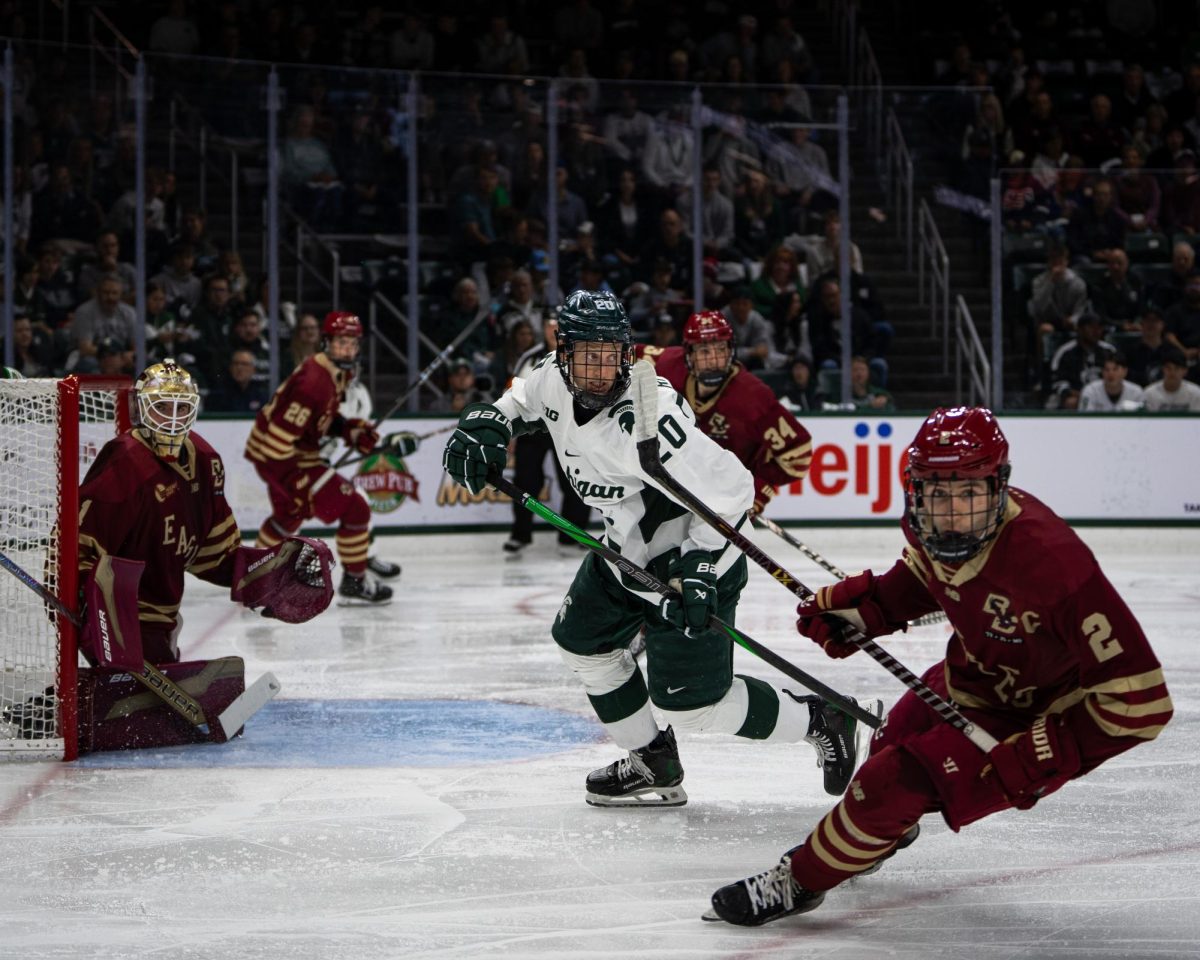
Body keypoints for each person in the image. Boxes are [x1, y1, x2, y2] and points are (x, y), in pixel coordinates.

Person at [708, 406, 1173, 926]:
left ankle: (800, 880)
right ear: (915, 491)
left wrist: (1045, 751)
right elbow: (924, 580)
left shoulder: (1054, 566)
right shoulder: (931, 529)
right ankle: (883, 834)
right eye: (938, 495)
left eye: (970, 494)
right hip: (969, 679)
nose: (953, 513)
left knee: (886, 785)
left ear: (998, 487)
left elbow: (1143, 703)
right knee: (887, 744)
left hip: (1027, 719)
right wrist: (869, 609)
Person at [442, 290, 879, 807]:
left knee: (697, 706)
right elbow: (519, 401)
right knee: (582, 640)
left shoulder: (651, 424)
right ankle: (653, 762)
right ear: (565, 353)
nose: (601, 370)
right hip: (625, 552)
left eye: (611, 356)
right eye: (588, 356)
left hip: (691, 558)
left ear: (626, 355)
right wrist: (488, 423)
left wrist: (699, 568)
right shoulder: (551, 377)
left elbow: (733, 490)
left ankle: (825, 718)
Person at [79, 359, 333, 666]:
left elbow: (213, 553)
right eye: (161, 407)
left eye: (181, 408)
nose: (172, 419)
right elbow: (77, 550)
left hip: (165, 616)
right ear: (140, 408)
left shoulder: (205, 459)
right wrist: (90, 613)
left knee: (164, 699)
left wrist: (267, 573)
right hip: (121, 619)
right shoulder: (125, 463)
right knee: (155, 705)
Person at [244, 311, 394, 605]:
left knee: (288, 517)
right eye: (341, 343)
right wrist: (295, 482)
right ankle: (354, 583)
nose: (347, 349)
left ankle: (256, 582)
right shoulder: (315, 382)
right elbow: (277, 444)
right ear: (326, 342)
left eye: (352, 343)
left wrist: (347, 430)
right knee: (356, 509)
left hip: (284, 454)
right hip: (285, 458)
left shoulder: (331, 371)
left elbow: (321, 418)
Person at [638, 310, 812, 517]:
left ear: (731, 351)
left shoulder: (753, 397)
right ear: (689, 355)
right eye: (704, 352)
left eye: (720, 350)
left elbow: (798, 455)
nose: (713, 360)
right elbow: (621, 355)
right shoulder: (667, 364)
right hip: (669, 484)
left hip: (723, 497)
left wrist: (756, 489)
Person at [503, 312, 592, 557]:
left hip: (567, 428)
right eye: (549, 324)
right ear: (542, 327)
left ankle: (571, 536)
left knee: (574, 482)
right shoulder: (531, 356)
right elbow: (513, 391)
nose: (553, 328)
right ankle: (520, 535)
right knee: (526, 481)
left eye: (557, 324)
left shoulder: (580, 354)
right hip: (534, 427)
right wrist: (510, 429)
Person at [1078, 353, 1145, 411]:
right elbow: (1084, 419)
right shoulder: (1091, 391)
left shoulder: (1136, 392)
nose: (1111, 374)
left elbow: (1143, 419)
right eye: (1106, 369)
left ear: (1125, 371)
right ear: (1102, 372)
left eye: (1115, 369)